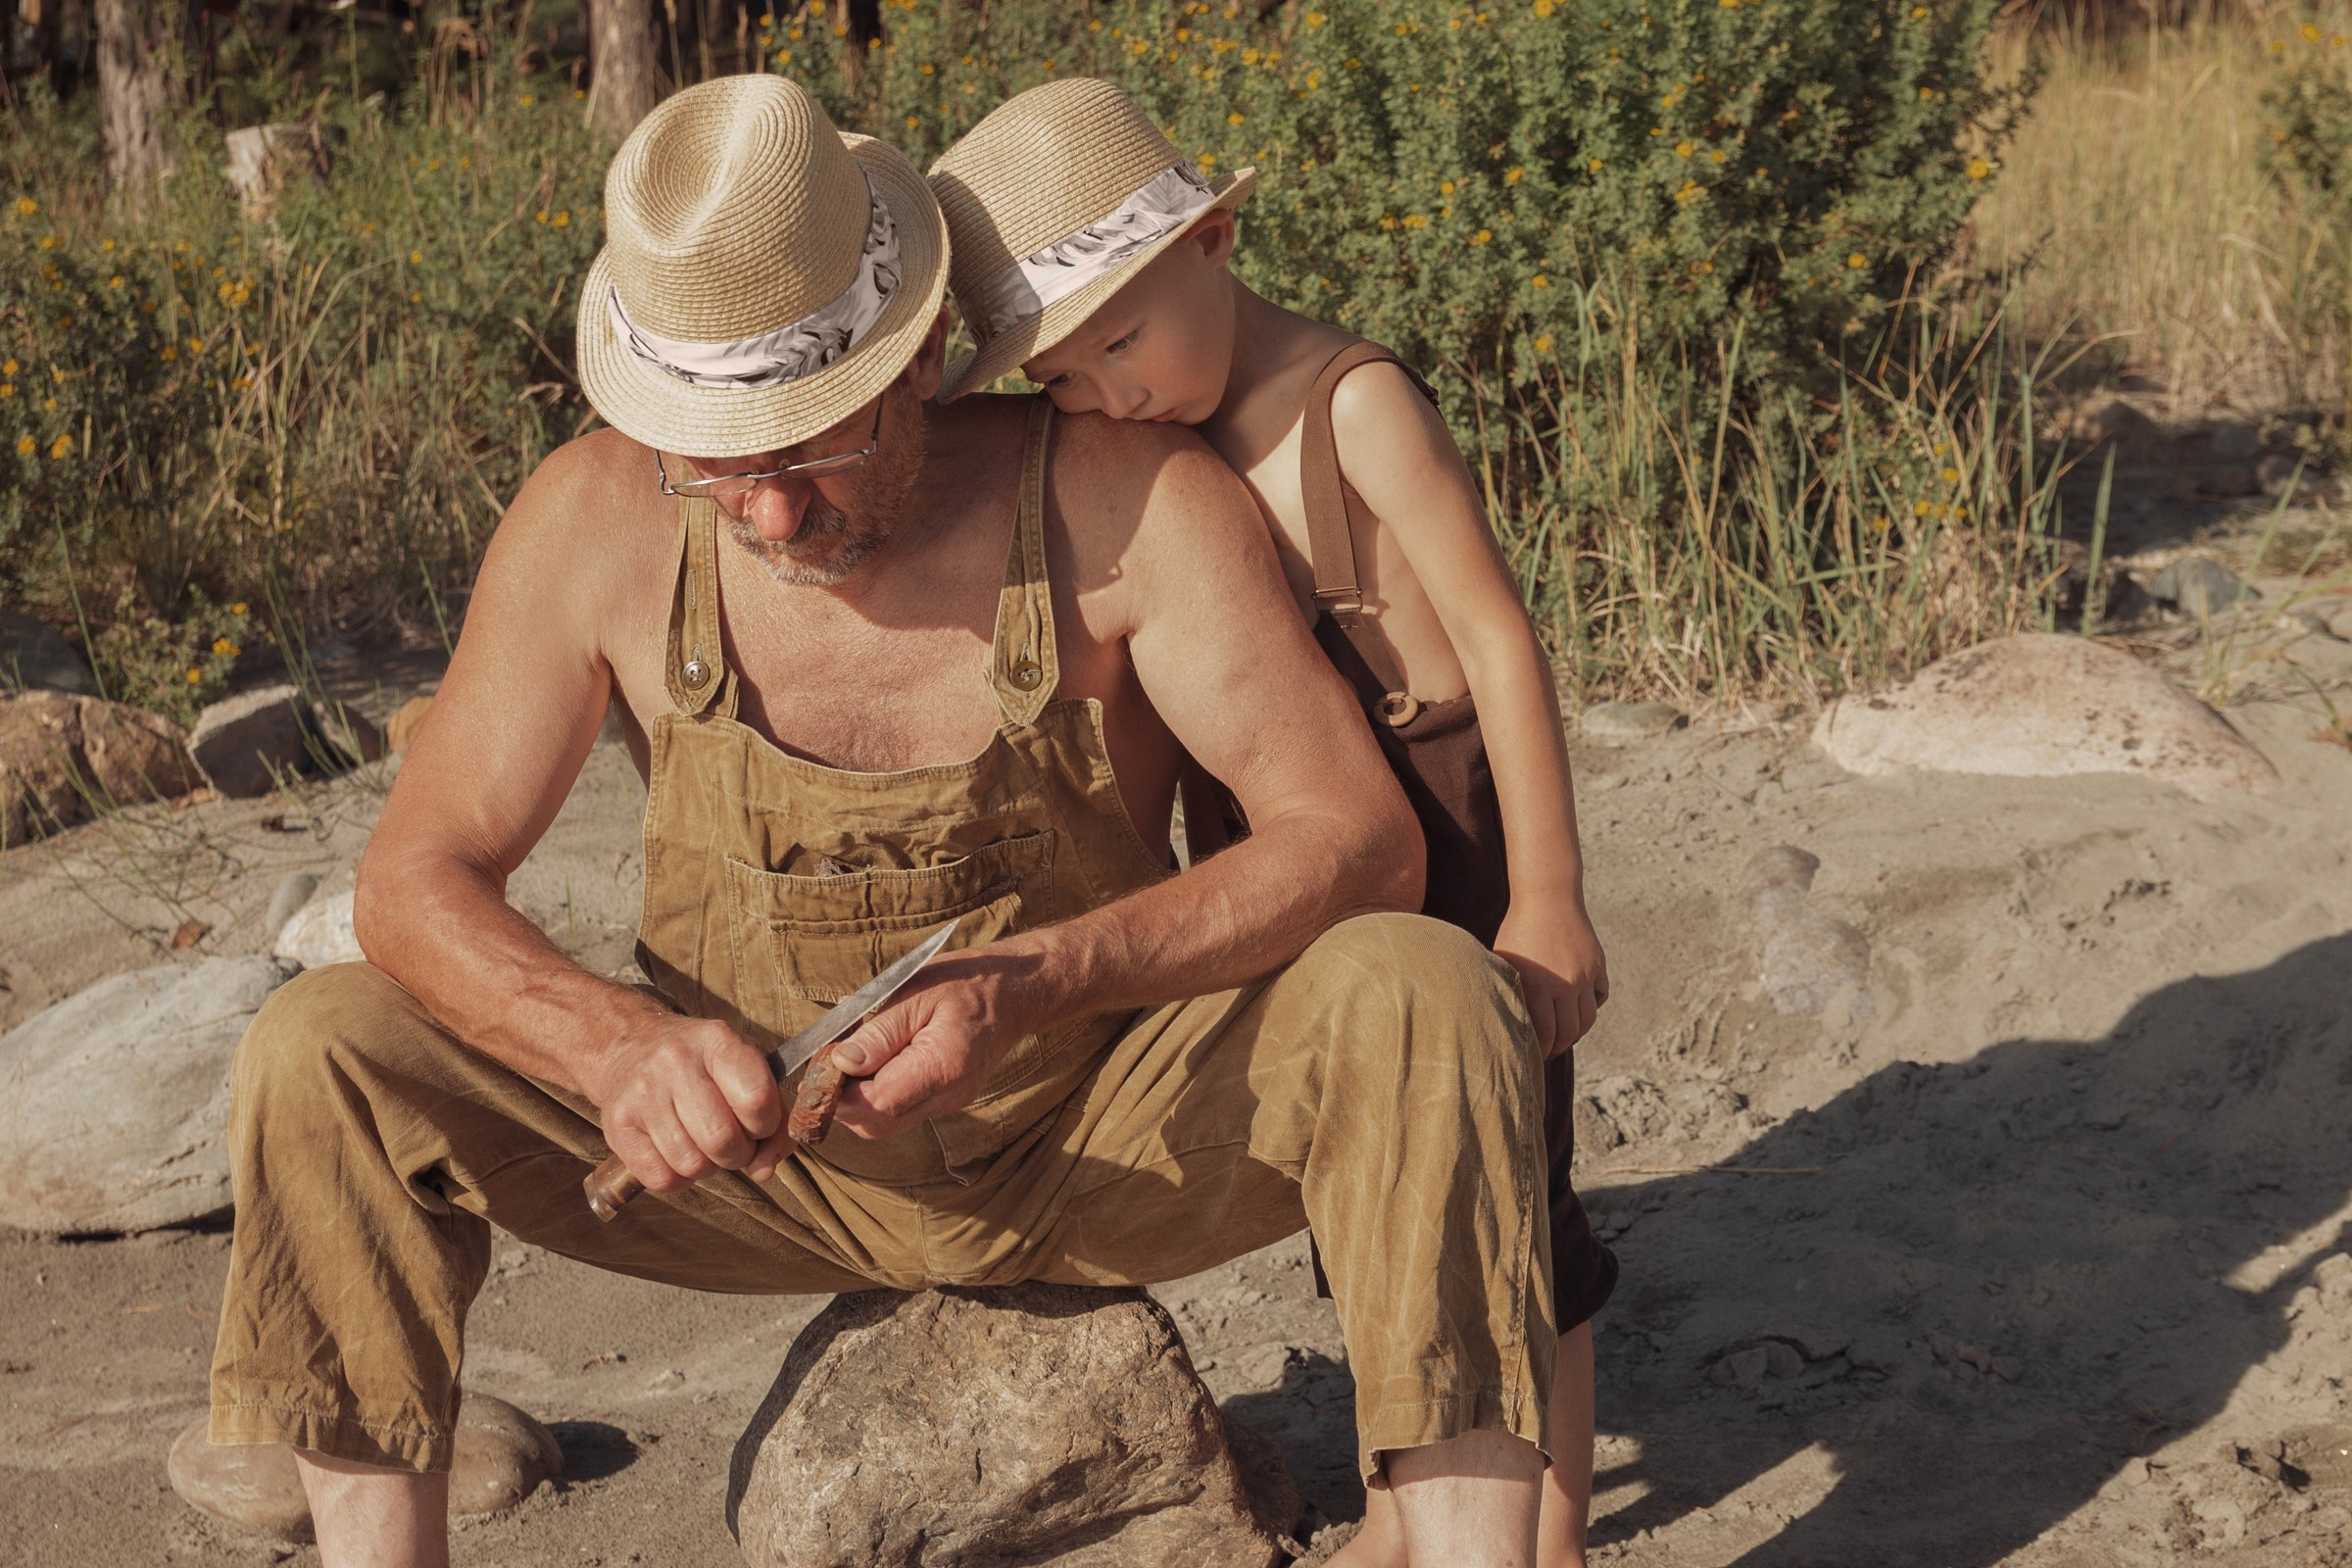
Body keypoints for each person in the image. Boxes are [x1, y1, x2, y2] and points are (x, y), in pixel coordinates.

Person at [205, 74, 1564, 1568]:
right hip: (759, 1178)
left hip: (1118, 1134)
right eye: (725, 467)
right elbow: (413, 877)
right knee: (321, 1048)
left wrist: (1044, 980)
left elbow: (1356, 840)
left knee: (1427, 990)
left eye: (817, 446)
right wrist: (614, 1048)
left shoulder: (1127, 498)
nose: (776, 517)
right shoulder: (594, 520)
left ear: (921, 352)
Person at [927, 77, 1619, 1568]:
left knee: (1514, 1188)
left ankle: (1549, 1527)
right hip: (1279, 827)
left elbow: (1499, 642)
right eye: (1061, 377)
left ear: (1218, 237)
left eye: (1120, 337)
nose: (1109, 390)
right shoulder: (1143, 460)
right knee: (1370, 1176)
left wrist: (1547, 895)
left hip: (1443, 810)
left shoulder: (1349, 404)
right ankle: (1402, 1499)